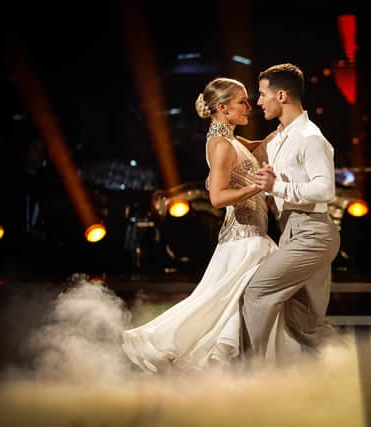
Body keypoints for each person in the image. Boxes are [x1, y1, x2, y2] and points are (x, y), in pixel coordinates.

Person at [122, 77, 299, 373]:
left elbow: (259, 147)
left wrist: (287, 123)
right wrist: (258, 187)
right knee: (225, 311)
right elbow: (217, 198)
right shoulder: (220, 146)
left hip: (254, 238)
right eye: (242, 101)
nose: (249, 107)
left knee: (237, 311)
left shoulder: (232, 141)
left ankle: (255, 374)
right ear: (222, 108)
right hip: (243, 243)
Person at [242, 63, 341, 359]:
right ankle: (343, 366)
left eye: (262, 95)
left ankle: (257, 374)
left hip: (312, 232)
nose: (258, 102)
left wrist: (277, 187)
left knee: (257, 292)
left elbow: (326, 190)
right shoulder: (281, 137)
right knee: (306, 323)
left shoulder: (309, 138)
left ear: (281, 96)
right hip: (294, 230)